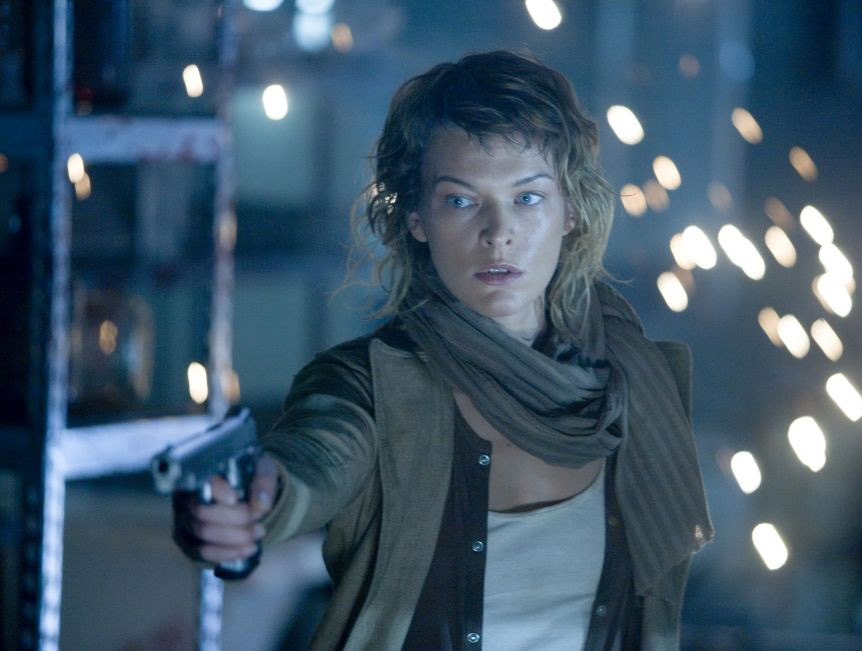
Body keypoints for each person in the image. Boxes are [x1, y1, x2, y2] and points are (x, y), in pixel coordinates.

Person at [172, 50, 713, 650]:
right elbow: (318, 454)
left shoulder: (633, 386)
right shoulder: (372, 384)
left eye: (527, 198)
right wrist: (260, 499)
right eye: (461, 200)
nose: (498, 232)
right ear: (417, 218)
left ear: (569, 211)